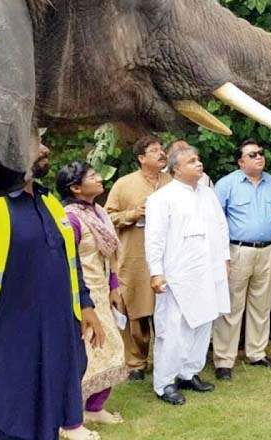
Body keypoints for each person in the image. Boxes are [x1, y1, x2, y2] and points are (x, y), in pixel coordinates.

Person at [0, 142, 104, 440]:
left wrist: (85, 303)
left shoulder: (50, 201)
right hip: (7, 337)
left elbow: (71, 258)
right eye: (31, 140)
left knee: (47, 412)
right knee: (7, 413)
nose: (43, 147)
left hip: (55, 332)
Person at [145, 146, 230, 405]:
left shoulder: (207, 193)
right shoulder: (162, 198)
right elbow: (154, 238)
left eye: (198, 159)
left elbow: (221, 226)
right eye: (191, 161)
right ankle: (165, 382)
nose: (199, 163)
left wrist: (225, 258)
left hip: (209, 270)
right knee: (174, 328)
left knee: (204, 323)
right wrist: (156, 272)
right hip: (177, 274)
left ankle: (188, 372)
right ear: (176, 169)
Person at [57, 162, 128, 435]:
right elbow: (68, 262)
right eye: (91, 176)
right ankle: (71, 419)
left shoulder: (99, 212)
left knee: (110, 349)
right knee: (83, 357)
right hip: (81, 295)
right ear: (75, 188)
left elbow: (109, 255)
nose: (100, 178)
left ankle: (95, 408)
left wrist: (113, 285)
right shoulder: (71, 218)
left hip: (102, 290)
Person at [212, 140, 271, 380]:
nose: (259, 157)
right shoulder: (227, 184)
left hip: (268, 250)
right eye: (253, 154)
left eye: (261, 153)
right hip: (237, 251)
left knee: (262, 303)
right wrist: (221, 255)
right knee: (231, 306)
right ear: (240, 161)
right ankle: (224, 359)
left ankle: (256, 352)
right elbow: (216, 222)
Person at [105, 135, 171, 380]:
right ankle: (136, 363)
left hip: (167, 255)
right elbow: (107, 217)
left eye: (162, 149)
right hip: (135, 254)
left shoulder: (172, 182)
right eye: (154, 150)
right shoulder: (124, 184)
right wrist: (134, 213)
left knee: (166, 308)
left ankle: (167, 360)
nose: (161, 153)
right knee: (136, 308)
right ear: (141, 158)